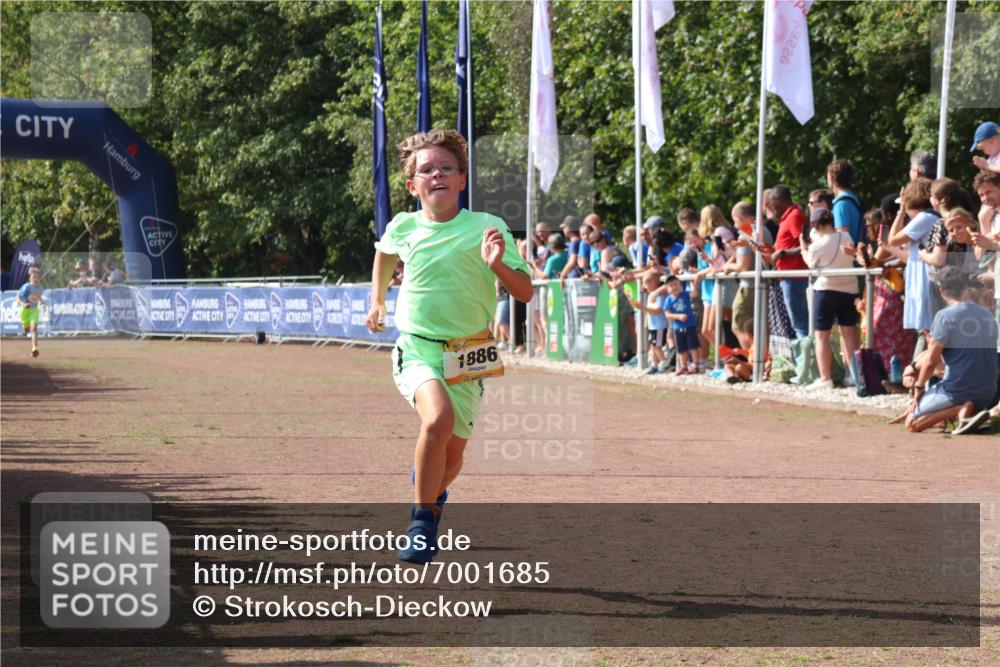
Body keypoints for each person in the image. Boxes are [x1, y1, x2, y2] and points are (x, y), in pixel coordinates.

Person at [365, 129, 532, 564]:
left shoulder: (487, 227)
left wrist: (497, 266)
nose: (436, 173)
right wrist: (378, 300)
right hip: (418, 345)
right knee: (437, 420)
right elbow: (384, 253)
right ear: (412, 184)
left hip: (471, 352)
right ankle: (422, 523)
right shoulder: (403, 226)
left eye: (446, 167)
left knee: (452, 455)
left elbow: (526, 292)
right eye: (427, 169)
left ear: (462, 179)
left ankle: (431, 486)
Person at [905, 265, 998, 434]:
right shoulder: (987, 314)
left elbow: (932, 361)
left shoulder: (944, 316)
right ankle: (968, 413)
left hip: (958, 389)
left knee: (911, 423)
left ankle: (958, 409)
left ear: (941, 290)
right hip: (988, 390)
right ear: (965, 287)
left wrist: (918, 388)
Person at [801, 208, 860, 390]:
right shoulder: (846, 236)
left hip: (826, 290)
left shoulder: (817, 245)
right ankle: (854, 375)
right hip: (849, 288)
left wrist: (803, 246)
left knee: (822, 336)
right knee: (849, 333)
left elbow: (810, 263)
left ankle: (825, 377)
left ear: (815, 225)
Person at [857, 200, 914, 370]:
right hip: (886, 290)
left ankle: (893, 374)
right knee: (881, 332)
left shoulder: (891, 235)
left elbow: (874, 262)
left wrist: (859, 255)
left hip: (893, 291)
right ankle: (884, 373)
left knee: (886, 331)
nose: (868, 227)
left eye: (870, 224)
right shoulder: (896, 233)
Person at [888, 178, 939, 338]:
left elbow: (893, 239)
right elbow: (910, 255)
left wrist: (900, 212)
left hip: (926, 282)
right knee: (928, 336)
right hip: (922, 280)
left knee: (931, 336)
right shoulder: (929, 218)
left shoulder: (925, 218)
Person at [724, 201, 774, 352]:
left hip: (749, 288)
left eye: (735, 220)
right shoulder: (764, 230)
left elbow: (743, 266)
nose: (735, 224)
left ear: (740, 217)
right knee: (761, 326)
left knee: (738, 326)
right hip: (764, 285)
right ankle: (762, 360)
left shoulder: (747, 233)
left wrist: (728, 267)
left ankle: (752, 361)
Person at [767, 185, 810, 339]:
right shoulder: (788, 217)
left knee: (800, 324)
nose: (770, 207)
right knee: (798, 323)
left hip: (795, 278)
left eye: (772, 202)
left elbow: (806, 244)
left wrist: (782, 253)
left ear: (780, 200)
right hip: (789, 277)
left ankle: (806, 362)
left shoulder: (794, 216)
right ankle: (805, 360)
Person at [629, 271, 670, 375]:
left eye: (646, 283)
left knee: (657, 345)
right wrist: (646, 321)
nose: (644, 286)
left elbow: (657, 310)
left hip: (659, 325)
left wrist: (642, 307)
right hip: (653, 325)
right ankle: (655, 364)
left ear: (653, 283)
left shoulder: (659, 295)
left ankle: (664, 362)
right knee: (653, 345)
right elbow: (650, 312)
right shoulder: (651, 295)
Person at [661, 275, 700, 374]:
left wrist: (691, 282)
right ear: (667, 289)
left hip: (690, 325)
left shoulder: (685, 294)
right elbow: (667, 314)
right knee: (681, 348)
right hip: (678, 327)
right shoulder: (668, 300)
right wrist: (678, 317)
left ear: (680, 285)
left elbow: (695, 294)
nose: (674, 287)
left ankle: (695, 364)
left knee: (692, 346)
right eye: (671, 285)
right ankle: (684, 365)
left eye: (676, 284)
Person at [827, 159, 865, 245]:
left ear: (832, 179)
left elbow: (843, 240)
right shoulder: (854, 198)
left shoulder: (841, 204)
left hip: (849, 256)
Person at [17, 266, 44, 358]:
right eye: (34, 277)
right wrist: (23, 303)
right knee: (27, 329)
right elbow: (17, 297)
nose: (36, 279)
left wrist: (42, 303)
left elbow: (39, 298)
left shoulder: (41, 289)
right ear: (30, 278)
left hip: (34, 311)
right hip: (25, 311)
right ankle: (25, 327)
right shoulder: (26, 287)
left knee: (34, 329)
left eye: (37, 277)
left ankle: (34, 348)